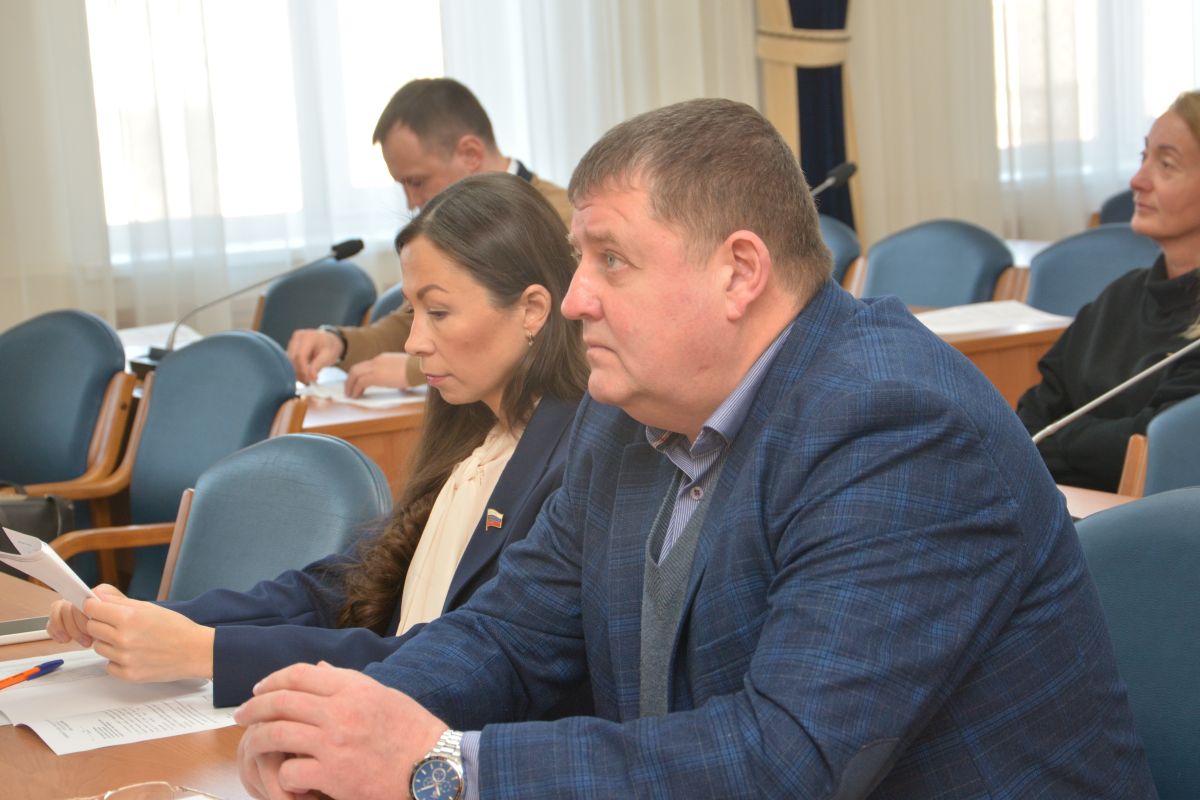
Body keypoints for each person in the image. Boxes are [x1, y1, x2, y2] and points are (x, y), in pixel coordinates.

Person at [235, 99, 1155, 800]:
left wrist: (438, 767)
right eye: (577, 259)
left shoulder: (896, 424)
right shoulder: (623, 414)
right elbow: (511, 635)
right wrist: (346, 725)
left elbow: (786, 759)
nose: (574, 298)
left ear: (739, 271)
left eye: (610, 260)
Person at [46, 173, 589, 708]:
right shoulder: (477, 437)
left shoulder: (574, 464)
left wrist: (205, 651)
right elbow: (337, 589)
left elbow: (450, 659)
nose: (414, 342)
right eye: (412, 312)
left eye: (439, 312)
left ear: (531, 310)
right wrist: (158, 621)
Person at [288, 78, 573, 397]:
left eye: (417, 181)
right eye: (403, 185)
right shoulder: (447, 226)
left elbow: (566, 338)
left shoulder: (565, 221)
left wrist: (413, 370)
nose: (412, 203)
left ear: (470, 154)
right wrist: (339, 343)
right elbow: (407, 325)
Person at [1017, 90, 1200, 492]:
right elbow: (1032, 416)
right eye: (1143, 156)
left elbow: (1156, 447)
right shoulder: (1120, 297)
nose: (1138, 180)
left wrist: (1061, 442)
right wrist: (1083, 443)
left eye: (1166, 164)